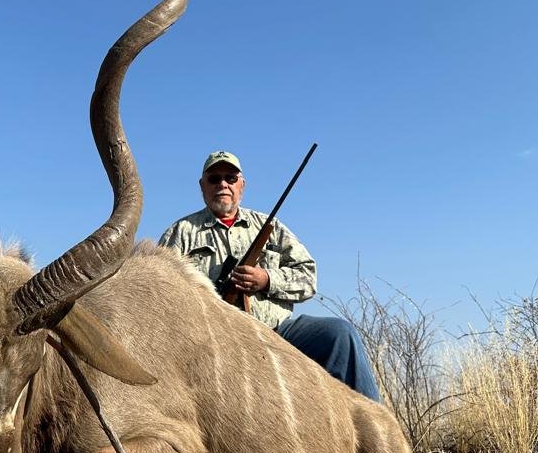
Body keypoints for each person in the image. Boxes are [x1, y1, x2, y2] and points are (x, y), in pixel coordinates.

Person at [157, 150, 381, 401]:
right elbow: (162, 294)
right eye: (214, 178)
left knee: (340, 335)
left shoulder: (269, 226)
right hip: (216, 341)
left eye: (230, 178)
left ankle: (382, 432)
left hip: (278, 331)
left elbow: (308, 276)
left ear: (242, 185)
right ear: (202, 186)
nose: (223, 184)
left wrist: (266, 280)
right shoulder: (181, 233)